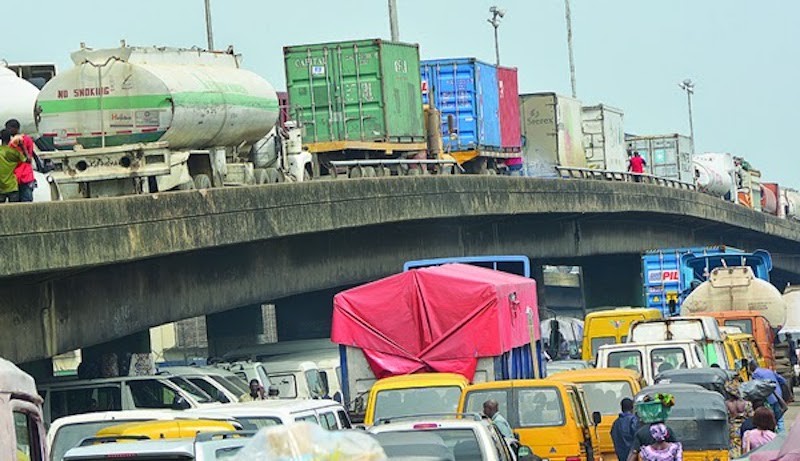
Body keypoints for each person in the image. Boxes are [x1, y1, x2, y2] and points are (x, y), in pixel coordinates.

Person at [748, 360, 788, 433]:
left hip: (768, 398)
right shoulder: (769, 371)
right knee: (780, 418)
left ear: (751, 367)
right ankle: (782, 435)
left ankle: (772, 436)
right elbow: (783, 380)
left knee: (770, 418)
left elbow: (756, 387)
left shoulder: (755, 374)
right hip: (778, 396)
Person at [5, 119, 37, 202]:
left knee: (25, 201)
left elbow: (26, 157)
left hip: (23, 176)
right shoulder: (23, 139)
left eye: (8, 128)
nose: (7, 131)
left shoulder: (21, 141)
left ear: (15, 128)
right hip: (18, 176)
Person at [725, 380, 753, 457]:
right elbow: (751, 416)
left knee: (733, 449)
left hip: (732, 429)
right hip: (745, 429)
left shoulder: (727, 404)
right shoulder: (747, 403)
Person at [0, 129, 26, 203]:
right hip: (12, 186)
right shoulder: (14, 153)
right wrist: (22, 146)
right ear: (10, 138)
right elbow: (27, 160)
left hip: (1, 188)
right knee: (15, 210)